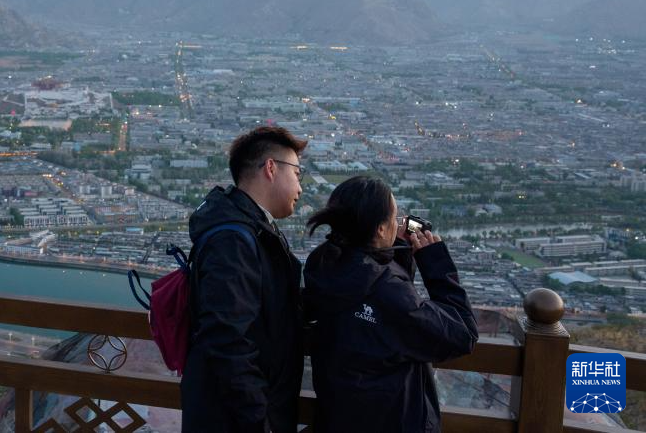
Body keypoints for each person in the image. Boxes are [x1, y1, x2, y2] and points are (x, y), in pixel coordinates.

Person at [302, 175, 478, 433]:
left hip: (339, 418)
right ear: (380, 229)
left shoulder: (322, 265)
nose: (398, 224)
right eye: (394, 218)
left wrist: (393, 250)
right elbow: (463, 334)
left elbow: (372, 289)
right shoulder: (389, 293)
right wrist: (436, 265)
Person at [181, 126, 306, 432]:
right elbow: (226, 339)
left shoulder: (248, 229)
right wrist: (260, 420)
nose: (300, 187)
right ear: (271, 168)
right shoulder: (234, 240)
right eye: (297, 173)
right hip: (236, 418)